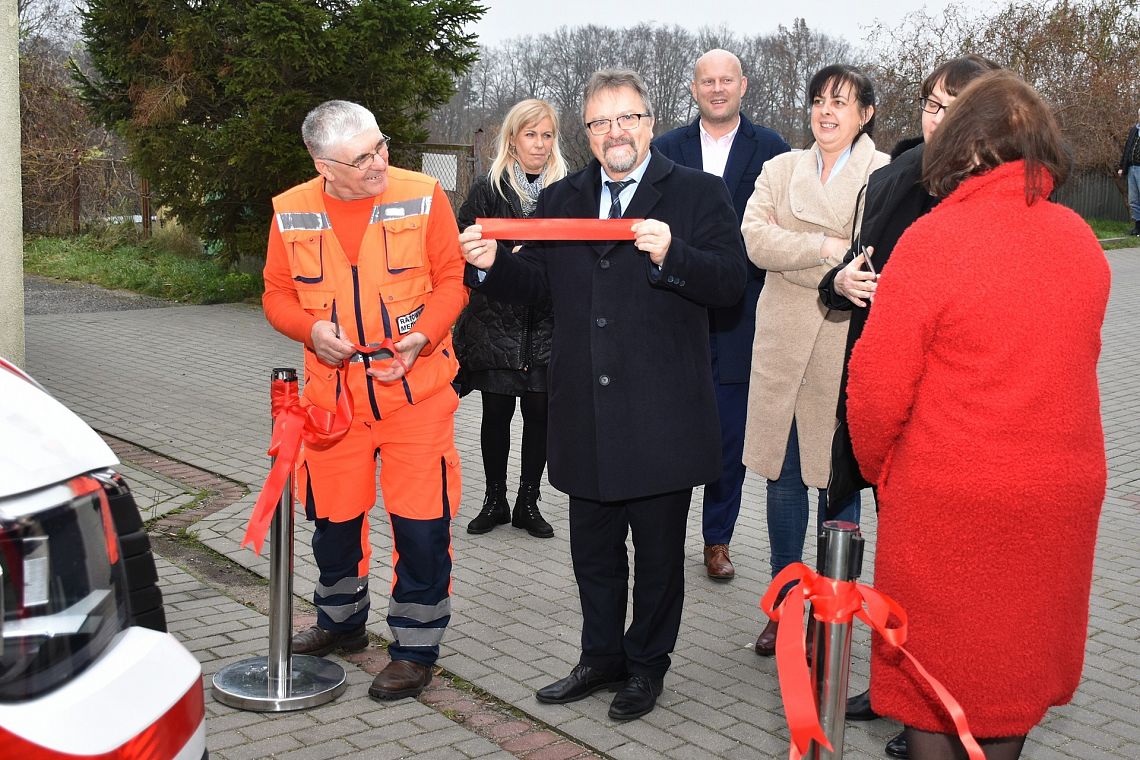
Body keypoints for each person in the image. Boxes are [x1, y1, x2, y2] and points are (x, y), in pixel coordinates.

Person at [459, 68, 746, 722]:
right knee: (591, 551)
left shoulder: (698, 193)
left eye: (627, 118)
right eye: (600, 122)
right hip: (584, 409)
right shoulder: (564, 198)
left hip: (662, 415)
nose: (615, 132)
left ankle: (646, 667)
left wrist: (673, 255)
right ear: (586, 132)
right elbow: (537, 283)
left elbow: (730, 283)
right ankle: (600, 657)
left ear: (649, 122)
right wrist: (491, 265)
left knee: (658, 559)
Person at [847, 70, 1110, 760]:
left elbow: (875, 393)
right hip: (1055, 503)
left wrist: (887, 473)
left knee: (935, 692)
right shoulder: (1081, 240)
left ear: (963, 145)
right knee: (1010, 687)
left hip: (952, 503)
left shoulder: (934, 240)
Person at [818, 54, 1000, 760]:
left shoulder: (1000, 198)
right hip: (887, 402)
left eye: (954, 106)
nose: (937, 120)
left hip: (958, 416)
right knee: (899, 569)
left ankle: (933, 710)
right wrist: (841, 283)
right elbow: (850, 275)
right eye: (930, 105)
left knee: (953, 583)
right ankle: (894, 689)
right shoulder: (895, 179)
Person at [262, 100, 467, 701]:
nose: (379, 163)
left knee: (422, 529)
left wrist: (422, 336)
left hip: (415, 398)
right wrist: (310, 331)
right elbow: (275, 295)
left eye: (381, 146)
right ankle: (341, 622)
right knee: (333, 523)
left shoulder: (424, 195)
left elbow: (453, 280)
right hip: (332, 405)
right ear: (323, 166)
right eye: (361, 158)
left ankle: (415, 651)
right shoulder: (291, 211)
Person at [740, 64, 889, 656]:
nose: (826, 112)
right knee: (783, 478)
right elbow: (755, 240)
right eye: (819, 100)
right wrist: (829, 249)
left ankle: (833, 608)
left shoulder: (883, 175)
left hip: (845, 346)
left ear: (865, 115)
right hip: (782, 344)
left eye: (841, 102)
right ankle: (785, 605)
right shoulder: (779, 168)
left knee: (838, 482)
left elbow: (871, 261)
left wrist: (799, 253)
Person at [653, 49, 791, 581]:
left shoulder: (772, 150)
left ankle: (718, 540)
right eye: (707, 81)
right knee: (671, 430)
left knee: (729, 436)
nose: (717, 89)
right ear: (693, 88)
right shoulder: (666, 149)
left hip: (741, 314)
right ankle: (664, 537)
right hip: (675, 308)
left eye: (726, 80)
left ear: (743, 86)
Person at [454, 99, 568, 539]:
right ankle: (494, 500)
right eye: (530, 134)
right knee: (496, 414)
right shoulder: (488, 188)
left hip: (545, 325)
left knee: (539, 415)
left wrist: (528, 260)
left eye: (547, 135)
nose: (539, 144)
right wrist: (506, 259)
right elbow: (464, 246)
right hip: (496, 323)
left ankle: (528, 502)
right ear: (513, 139)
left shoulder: (569, 191)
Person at [1117, 106, 1140, 236]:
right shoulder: (1134, 130)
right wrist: (1122, 167)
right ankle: (1137, 227)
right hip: (1132, 168)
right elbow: (1127, 149)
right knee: (1133, 199)